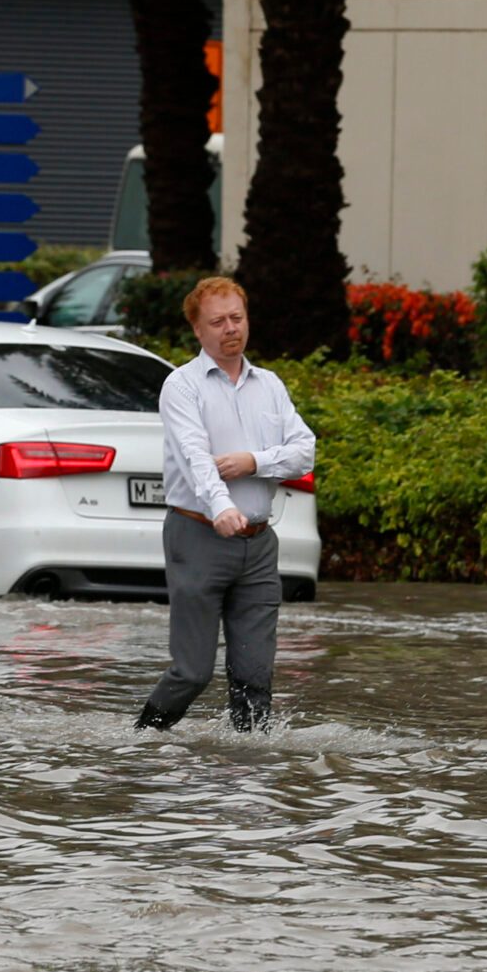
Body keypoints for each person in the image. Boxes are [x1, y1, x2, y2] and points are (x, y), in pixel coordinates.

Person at [136, 276, 316, 732]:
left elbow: (304, 451)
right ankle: (141, 741)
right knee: (192, 673)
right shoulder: (182, 386)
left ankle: (249, 777)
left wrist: (253, 461)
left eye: (237, 318)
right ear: (198, 331)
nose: (230, 328)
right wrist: (221, 506)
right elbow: (195, 458)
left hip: (258, 544)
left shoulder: (270, 385)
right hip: (198, 535)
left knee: (255, 677)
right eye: (217, 321)